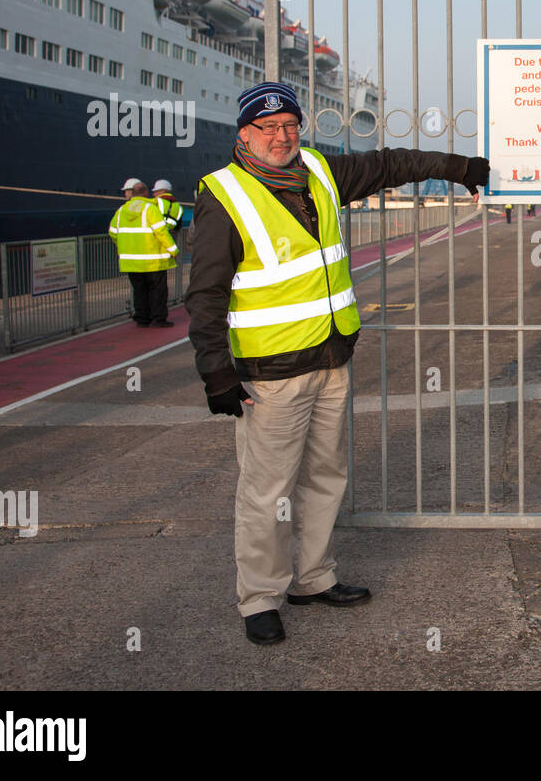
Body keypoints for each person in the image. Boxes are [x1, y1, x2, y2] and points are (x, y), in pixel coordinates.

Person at [186, 81, 489, 646]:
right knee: (267, 490)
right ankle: (260, 597)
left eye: (289, 126)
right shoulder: (224, 195)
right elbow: (205, 294)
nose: (281, 137)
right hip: (270, 375)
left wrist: (460, 167)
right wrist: (217, 373)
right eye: (267, 128)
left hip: (330, 360)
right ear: (244, 135)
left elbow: (391, 163)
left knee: (326, 477)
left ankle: (313, 577)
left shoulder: (319, 174)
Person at [109, 177, 177, 328]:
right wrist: (173, 250)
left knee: (139, 291)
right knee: (157, 291)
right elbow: (161, 232)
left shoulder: (121, 211)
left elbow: (113, 232)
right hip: (154, 261)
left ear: (132, 193)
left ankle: (142, 319)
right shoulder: (150, 209)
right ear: (146, 193)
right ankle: (158, 319)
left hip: (132, 262)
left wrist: (125, 246)